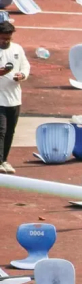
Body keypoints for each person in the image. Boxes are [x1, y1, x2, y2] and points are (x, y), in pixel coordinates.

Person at [0, 21, 29, 174]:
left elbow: (25, 66)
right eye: (3, 38)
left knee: (10, 131)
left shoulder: (17, 49)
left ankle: (4, 160)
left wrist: (22, 75)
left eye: (8, 38)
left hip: (14, 98)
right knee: (1, 130)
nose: (5, 41)